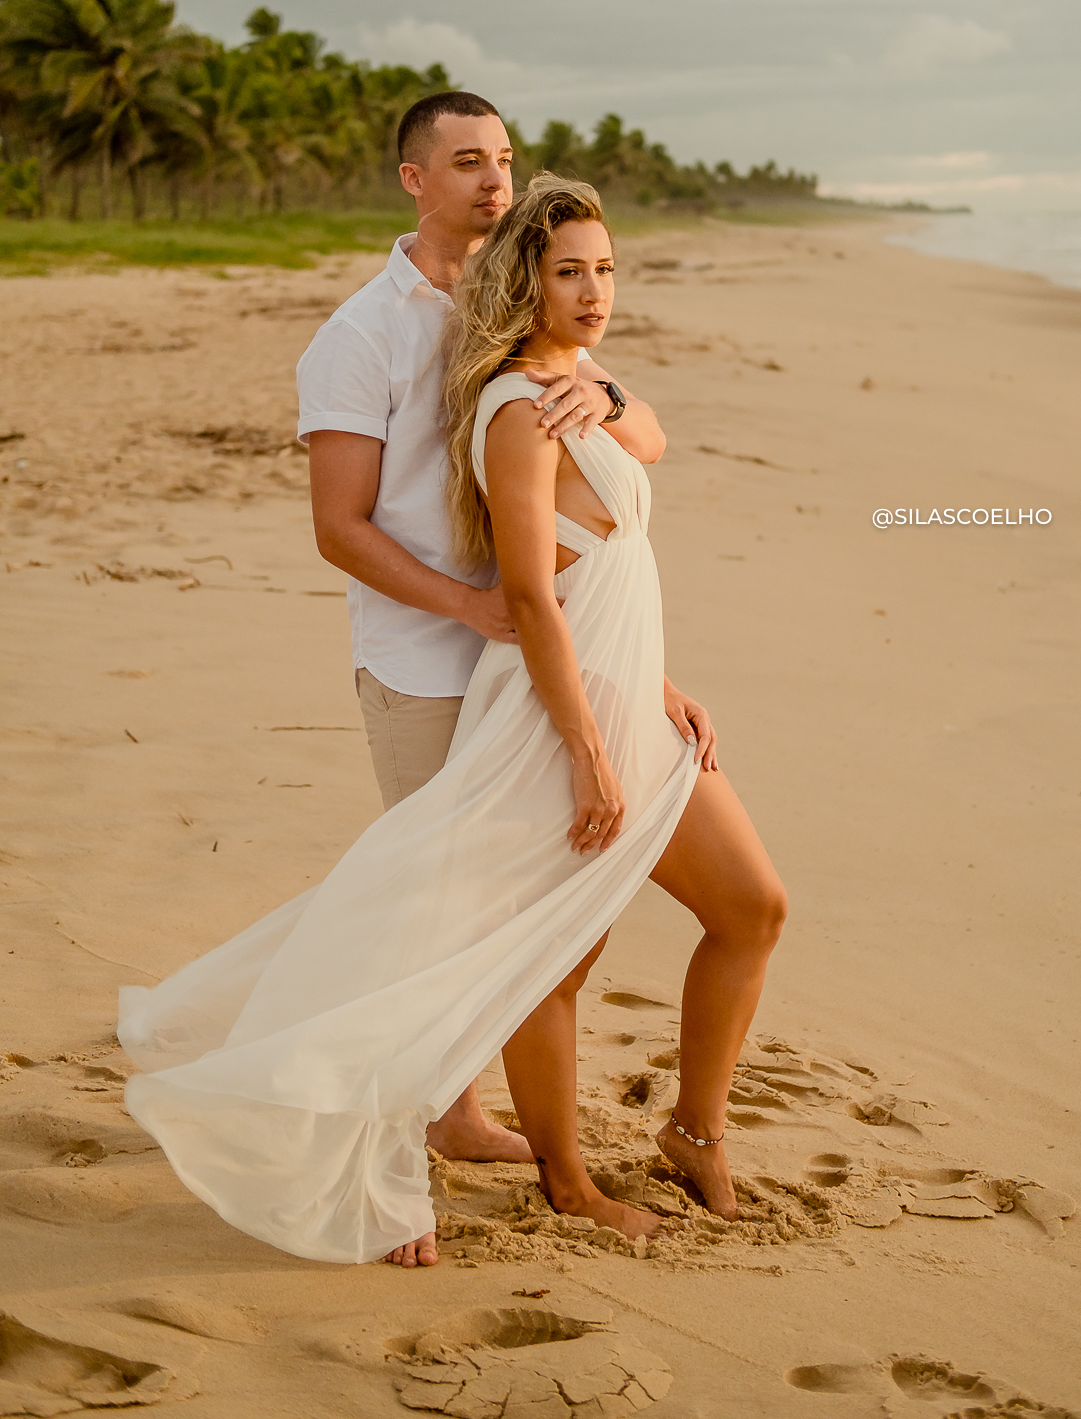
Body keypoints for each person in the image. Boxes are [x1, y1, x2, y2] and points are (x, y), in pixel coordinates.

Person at [116, 173, 787, 1270]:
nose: (593, 289)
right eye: (568, 271)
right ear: (524, 278)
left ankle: (692, 1130)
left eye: (605, 269)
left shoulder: (582, 383)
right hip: (559, 717)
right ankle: (569, 1183)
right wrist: (589, 754)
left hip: (633, 690)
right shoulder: (516, 408)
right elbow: (530, 594)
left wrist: (655, 676)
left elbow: (633, 486)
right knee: (550, 960)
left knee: (754, 906)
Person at [294, 92, 708, 1223]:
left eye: (506, 160)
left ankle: (453, 1112)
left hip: (544, 651)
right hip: (430, 661)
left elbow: (640, 448)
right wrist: (471, 610)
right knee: (438, 916)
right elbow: (340, 525)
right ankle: (375, 1176)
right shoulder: (362, 334)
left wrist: (612, 390)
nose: (494, 180)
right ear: (412, 180)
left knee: (503, 915)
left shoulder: (521, 307)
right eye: (467, 161)